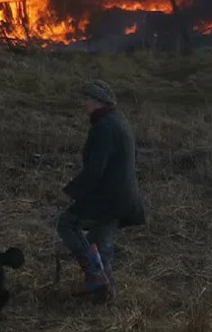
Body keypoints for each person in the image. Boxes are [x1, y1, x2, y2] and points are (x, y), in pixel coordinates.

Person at [57, 79, 146, 303]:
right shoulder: (119, 120)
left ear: (97, 101)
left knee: (66, 223)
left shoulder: (104, 127)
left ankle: (96, 277)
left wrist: (70, 192)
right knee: (100, 238)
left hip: (110, 197)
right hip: (124, 195)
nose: (83, 104)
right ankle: (104, 291)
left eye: (86, 99)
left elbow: (95, 170)